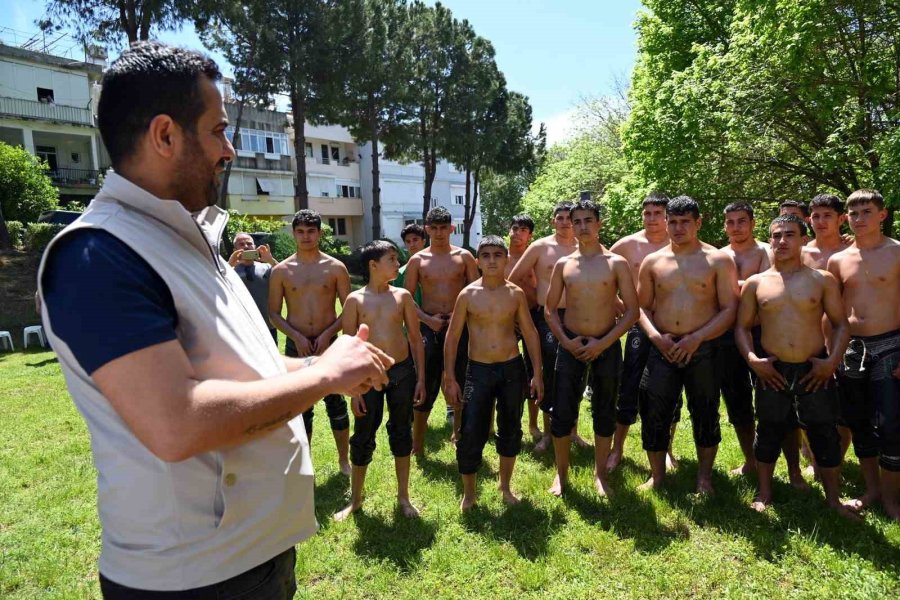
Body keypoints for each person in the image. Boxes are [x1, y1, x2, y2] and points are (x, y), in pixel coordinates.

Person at [37, 42, 391, 597]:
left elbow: (236, 365)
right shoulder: (97, 255)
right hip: (194, 579)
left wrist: (324, 360)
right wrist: (322, 378)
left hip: (250, 557)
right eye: (219, 129)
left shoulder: (184, 236)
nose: (229, 149)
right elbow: (177, 423)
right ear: (164, 135)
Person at [736, 214, 856, 518]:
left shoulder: (821, 280)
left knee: (823, 431)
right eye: (776, 235)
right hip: (772, 369)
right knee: (769, 428)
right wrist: (753, 360)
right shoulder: (756, 283)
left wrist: (831, 362)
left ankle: (833, 499)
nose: (782, 241)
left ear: (804, 239)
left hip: (814, 368)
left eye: (789, 235)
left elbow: (841, 325)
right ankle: (765, 492)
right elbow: (742, 327)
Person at [637, 196, 739, 494]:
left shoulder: (718, 259)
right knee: (654, 411)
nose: (678, 227)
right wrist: (657, 337)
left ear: (698, 222)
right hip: (663, 345)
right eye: (673, 222)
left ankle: (704, 477)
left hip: (703, 346)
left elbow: (729, 308)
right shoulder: (653, 261)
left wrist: (697, 337)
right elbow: (641, 308)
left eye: (685, 222)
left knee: (705, 410)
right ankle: (657, 476)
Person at [544, 199, 639, 496]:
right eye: (577, 222)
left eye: (588, 220)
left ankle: (600, 474)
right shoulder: (564, 264)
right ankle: (561, 475)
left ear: (599, 224)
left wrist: (605, 342)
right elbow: (549, 309)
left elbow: (632, 311)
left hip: (605, 344)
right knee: (561, 411)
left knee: (604, 410)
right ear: (571, 227)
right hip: (571, 343)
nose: (582, 226)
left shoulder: (616, 263)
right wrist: (565, 340)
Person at [443, 235, 543, 510]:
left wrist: (537, 373)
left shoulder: (515, 293)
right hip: (478, 370)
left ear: (506, 259)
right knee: (472, 430)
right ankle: (469, 493)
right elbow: (452, 338)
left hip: (511, 368)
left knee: (511, 428)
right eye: (485, 255)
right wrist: (449, 376)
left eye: (497, 255)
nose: (491, 260)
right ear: (477, 261)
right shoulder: (468, 294)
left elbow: (531, 334)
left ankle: (505, 486)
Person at [334, 241, 426, 522]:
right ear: (374, 265)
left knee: (401, 432)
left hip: (401, 372)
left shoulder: (403, 297)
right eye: (392, 259)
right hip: (366, 376)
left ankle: (403, 497)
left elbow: (414, 338)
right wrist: (354, 391)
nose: (398, 264)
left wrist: (420, 377)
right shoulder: (355, 300)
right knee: (363, 436)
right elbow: (348, 347)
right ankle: (356, 500)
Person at [827, 189, 900, 520]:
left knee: (891, 425)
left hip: (891, 346)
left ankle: (891, 498)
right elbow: (832, 313)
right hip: (851, 349)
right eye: (853, 213)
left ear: (882, 215)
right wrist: (831, 356)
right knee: (858, 423)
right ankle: (871, 489)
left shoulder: (897, 252)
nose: (859, 219)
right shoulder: (839, 260)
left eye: (866, 212)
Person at [269, 209, 353, 475]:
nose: (306, 236)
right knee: (300, 407)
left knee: (336, 403)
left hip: (329, 343)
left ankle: (343, 461)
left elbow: (348, 309)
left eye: (311, 231)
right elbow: (273, 313)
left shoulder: (335, 267)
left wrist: (328, 334)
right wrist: (297, 336)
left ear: (319, 233)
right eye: (301, 231)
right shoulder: (281, 271)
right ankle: (305, 463)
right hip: (297, 346)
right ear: (294, 233)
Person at [509, 201, 591, 453]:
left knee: (578, 371)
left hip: (580, 316)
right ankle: (547, 432)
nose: (566, 222)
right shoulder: (540, 247)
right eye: (561, 217)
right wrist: (530, 300)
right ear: (552, 221)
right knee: (549, 371)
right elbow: (514, 278)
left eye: (570, 217)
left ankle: (572, 430)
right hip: (548, 316)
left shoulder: (587, 247)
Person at [402, 206, 478, 453]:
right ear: (427, 229)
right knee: (425, 383)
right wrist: (426, 319)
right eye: (433, 228)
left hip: (459, 328)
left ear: (451, 228)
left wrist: (461, 316)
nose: (439, 233)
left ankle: (458, 432)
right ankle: (417, 442)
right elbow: (406, 298)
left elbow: (476, 292)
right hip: (430, 327)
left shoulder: (464, 257)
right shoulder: (418, 260)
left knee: (459, 379)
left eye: (443, 227)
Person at [607, 192, 672, 471]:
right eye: (647, 213)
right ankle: (617, 448)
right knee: (629, 386)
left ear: (667, 216)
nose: (652, 219)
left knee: (668, 389)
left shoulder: (678, 244)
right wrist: (620, 304)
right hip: (638, 325)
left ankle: (666, 449)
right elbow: (600, 272)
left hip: (670, 325)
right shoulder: (628, 245)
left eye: (658, 213)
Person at [717, 203, 770, 476]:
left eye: (741, 221)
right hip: (727, 334)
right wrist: (748, 283)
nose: (736, 227)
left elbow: (769, 287)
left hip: (762, 332)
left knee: (772, 398)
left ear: (752, 223)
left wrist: (734, 286)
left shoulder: (765, 251)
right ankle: (751, 459)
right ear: (724, 225)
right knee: (737, 400)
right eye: (730, 222)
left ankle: (791, 464)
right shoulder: (718, 256)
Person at [505, 213, 541, 441]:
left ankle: (533, 424)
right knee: (498, 369)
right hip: (506, 319)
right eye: (514, 228)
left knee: (534, 370)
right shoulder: (499, 257)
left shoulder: (536, 258)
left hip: (533, 315)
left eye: (523, 230)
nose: (517, 233)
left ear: (530, 235)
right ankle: (490, 423)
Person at [229, 232, 279, 342]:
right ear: (234, 250)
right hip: (241, 328)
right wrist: (229, 265)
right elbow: (216, 285)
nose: (246, 246)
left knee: (271, 359)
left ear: (255, 247)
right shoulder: (229, 272)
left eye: (249, 243)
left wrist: (270, 259)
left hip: (267, 326)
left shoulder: (267, 267)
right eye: (241, 244)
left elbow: (285, 276)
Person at [394, 223, 425, 307]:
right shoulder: (400, 274)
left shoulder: (436, 267)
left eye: (415, 240)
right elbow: (400, 304)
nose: (412, 244)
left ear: (423, 241)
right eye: (408, 241)